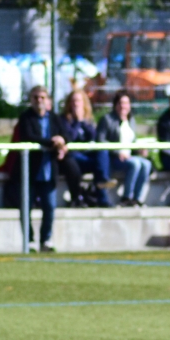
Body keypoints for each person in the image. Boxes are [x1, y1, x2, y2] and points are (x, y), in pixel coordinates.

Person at [15, 86, 68, 252]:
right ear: (31, 99)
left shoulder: (54, 118)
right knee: (26, 208)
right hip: (30, 171)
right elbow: (28, 136)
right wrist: (52, 142)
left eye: (42, 97)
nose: (39, 100)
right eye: (35, 97)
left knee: (50, 207)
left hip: (48, 171)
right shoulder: (26, 117)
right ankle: (29, 241)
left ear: (48, 100)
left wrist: (62, 140)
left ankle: (46, 240)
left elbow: (66, 135)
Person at [61, 89, 118, 207]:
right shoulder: (64, 120)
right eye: (73, 101)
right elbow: (70, 137)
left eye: (78, 101)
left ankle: (103, 186)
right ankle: (102, 189)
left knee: (102, 152)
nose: (76, 104)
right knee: (98, 166)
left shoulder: (88, 120)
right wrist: (77, 121)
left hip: (87, 155)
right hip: (73, 158)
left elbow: (93, 136)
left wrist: (83, 121)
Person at [96, 90, 152, 206]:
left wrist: (139, 149)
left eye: (126, 103)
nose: (123, 106)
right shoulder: (107, 119)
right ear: (115, 105)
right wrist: (118, 152)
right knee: (135, 164)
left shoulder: (131, 121)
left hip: (128, 156)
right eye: (120, 103)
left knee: (146, 164)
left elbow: (132, 141)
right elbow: (100, 141)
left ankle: (137, 198)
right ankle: (126, 197)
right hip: (114, 158)